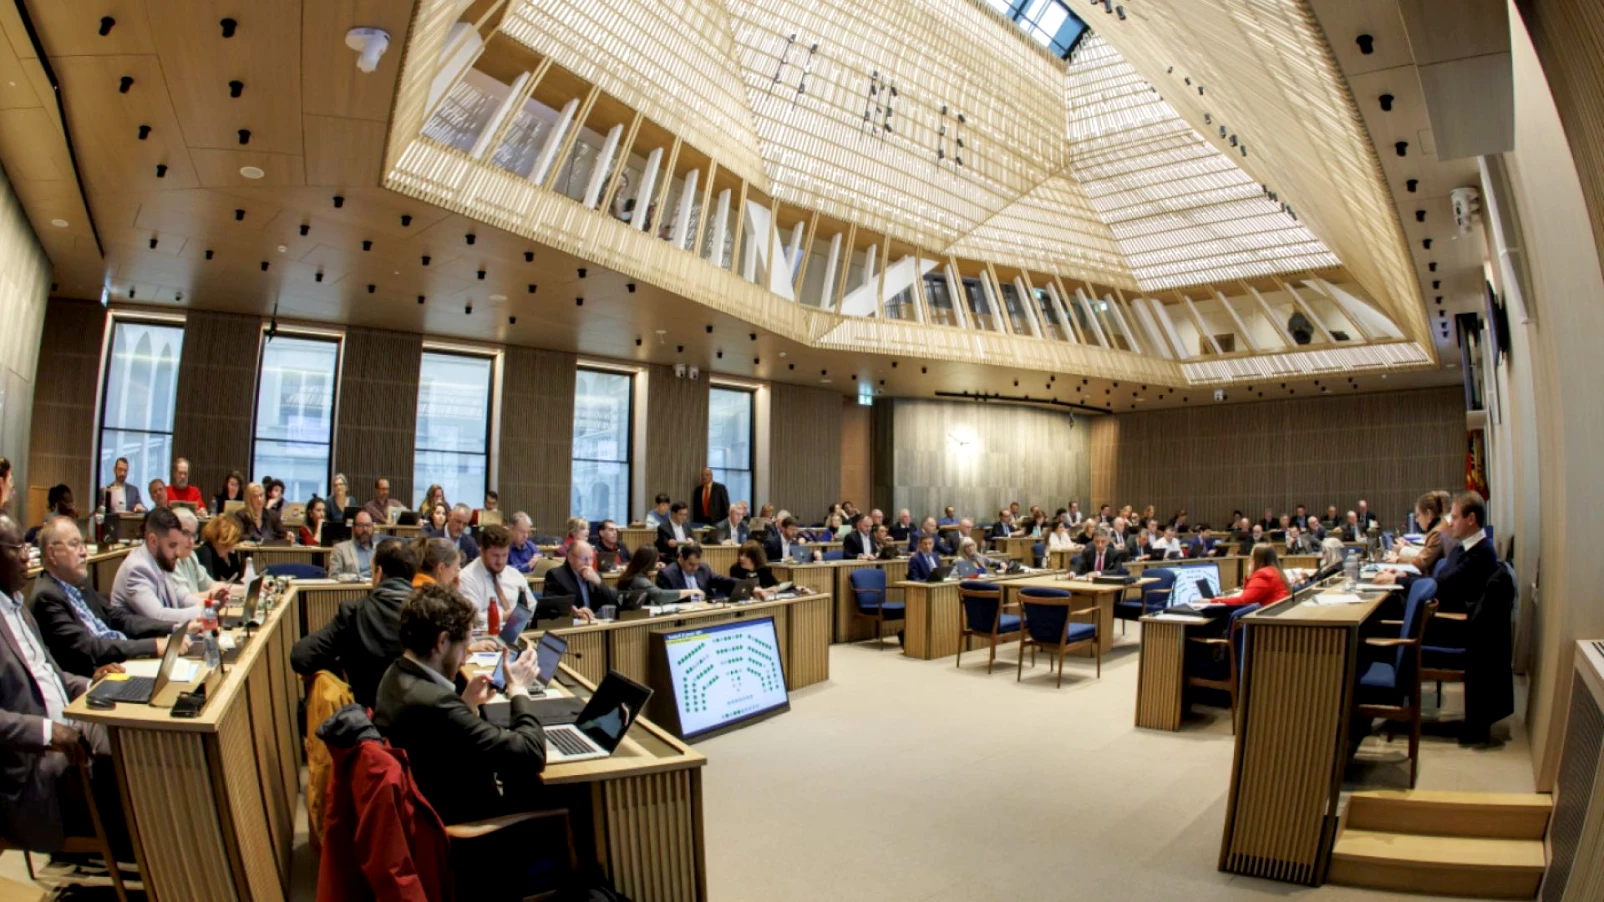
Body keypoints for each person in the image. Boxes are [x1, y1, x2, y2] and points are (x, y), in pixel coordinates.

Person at [0, 513, 132, 860]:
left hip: (70, 722)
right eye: (16, 549)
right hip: (30, 759)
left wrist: (91, 683)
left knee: (134, 738)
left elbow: (51, 675)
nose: (27, 557)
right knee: (121, 766)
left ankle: (148, 846)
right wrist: (48, 732)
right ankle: (130, 850)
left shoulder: (18, 607)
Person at [371, 583, 549, 826]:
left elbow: (443, 741)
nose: (465, 658)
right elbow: (531, 754)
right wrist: (518, 689)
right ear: (442, 642)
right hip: (469, 828)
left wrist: (466, 704)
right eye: (464, 647)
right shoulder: (434, 703)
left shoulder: (394, 673)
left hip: (439, 800)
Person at [30, 516, 190, 677]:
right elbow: (89, 647)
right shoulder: (47, 597)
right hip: (99, 674)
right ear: (52, 553)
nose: (84, 552)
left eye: (82, 544)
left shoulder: (79, 583)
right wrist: (154, 646)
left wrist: (174, 627)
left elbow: (118, 618)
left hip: (123, 660)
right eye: (74, 544)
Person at [292, 540, 417, 709]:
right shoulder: (428, 614)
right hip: (420, 719)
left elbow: (301, 657)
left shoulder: (354, 613)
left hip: (367, 718)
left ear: (378, 573)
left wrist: (339, 666)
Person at [1373, 491, 1497, 614]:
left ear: (1470, 519)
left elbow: (1441, 586)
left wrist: (1397, 580)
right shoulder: (1463, 548)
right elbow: (1437, 580)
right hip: (1434, 609)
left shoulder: (1481, 554)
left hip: (1442, 619)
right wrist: (1405, 575)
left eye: (1454, 517)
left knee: (1379, 608)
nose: (1450, 523)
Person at [110, 508, 229, 623]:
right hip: (140, 636)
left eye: (177, 545)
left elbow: (183, 599)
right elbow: (158, 616)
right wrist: (204, 611)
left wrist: (210, 606)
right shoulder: (137, 569)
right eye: (172, 545)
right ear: (153, 541)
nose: (177, 552)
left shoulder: (161, 560)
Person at [458, 525, 532, 634]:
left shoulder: (515, 575)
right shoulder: (466, 578)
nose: (500, 561)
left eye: (504, 555)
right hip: (485, 637)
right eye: (495, 556)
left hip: (521, 633)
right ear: (482, 551)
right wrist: (503, 616)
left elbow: (531, 606)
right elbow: (472, 617)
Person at [538, 542, 609, 619]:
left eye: (591, 558)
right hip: (571, 622)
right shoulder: (556, 575)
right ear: (570, 558)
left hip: (595, 622)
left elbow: (610, 603)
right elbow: (551, 606)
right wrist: (572, 611)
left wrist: (599, 583)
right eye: (584, 559)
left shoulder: (595, 575)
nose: (589, 563)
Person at [617, 547, 701, 607]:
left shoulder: (632, 575)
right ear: (649, 563)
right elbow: (660, 595)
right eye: (656, 561)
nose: (657, 564)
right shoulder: (639, 580)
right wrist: (691, 591)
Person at [171, 507, 224, 598]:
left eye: (193, 535)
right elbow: (185, 599)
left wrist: (244, 588)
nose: (191, 541)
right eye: (185, 533)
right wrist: (216, 594)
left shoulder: (191, 556)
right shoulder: (168, 561)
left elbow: (212, 585)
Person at [658, 542, 739, 599]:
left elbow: (721, 580)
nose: (695, 568)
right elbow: (665, 599)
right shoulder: (667, 574)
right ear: (681, 558)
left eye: (698, 564)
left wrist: (741, 583)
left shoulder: (703, 568)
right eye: (691, 564)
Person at [1394, 491, 1447, 572]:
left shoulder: (1437, 533)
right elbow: (1427, 552)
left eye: (1418, 515)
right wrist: (1409, 547)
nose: (1416, 520)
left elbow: (1421, 562)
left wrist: (1398, 559)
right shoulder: (1440, 527)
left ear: (1428, 514)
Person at [329, 510, 377, 580]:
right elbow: (333, 576)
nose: (365, 529)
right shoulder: (340, 549)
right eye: (361, 525)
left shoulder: (380, 548)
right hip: (354, 586)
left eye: (368, 525)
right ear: (353, 528)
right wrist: (353, 578)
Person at [197, 514, 245, 582]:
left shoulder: (216, 552)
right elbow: (210, 584)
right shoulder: (205, 552)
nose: (229, 549)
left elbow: (233, 576)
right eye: (227, 545)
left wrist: (233, 555)